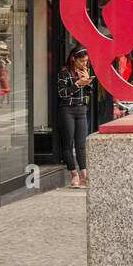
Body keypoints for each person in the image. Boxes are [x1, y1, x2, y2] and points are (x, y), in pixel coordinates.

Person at [56, 46, 93, 189]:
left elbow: (89, 92)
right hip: (67, 110)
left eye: (86, 61)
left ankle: (84, 176)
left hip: (82, 109)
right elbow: (63, 93)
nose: (85, 64)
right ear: (73, 59)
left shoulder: (85, 70)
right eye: (82, 61)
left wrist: (87, 81)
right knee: (68, 144)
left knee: (81, 144)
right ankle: (74, 174)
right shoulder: (64, 72)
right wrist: (77, 83)